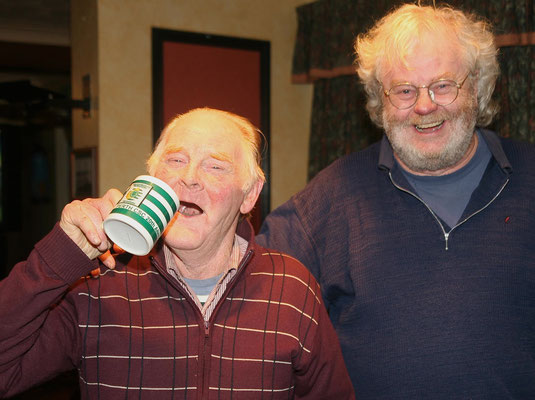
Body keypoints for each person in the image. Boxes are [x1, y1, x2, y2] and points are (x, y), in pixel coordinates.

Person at [257, 3, 535, 399]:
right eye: (404, 90)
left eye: (443, 85)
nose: (424, 106)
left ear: (479, 85)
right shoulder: (333, 194)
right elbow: (248, 279)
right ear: (380, 101)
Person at [0, 108, 354, 399]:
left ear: (249, 195)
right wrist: (60, 254)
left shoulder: (292, 288)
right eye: (176, 160)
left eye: (215, 166)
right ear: (152, 179)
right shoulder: (98, 285)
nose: (189, 178)